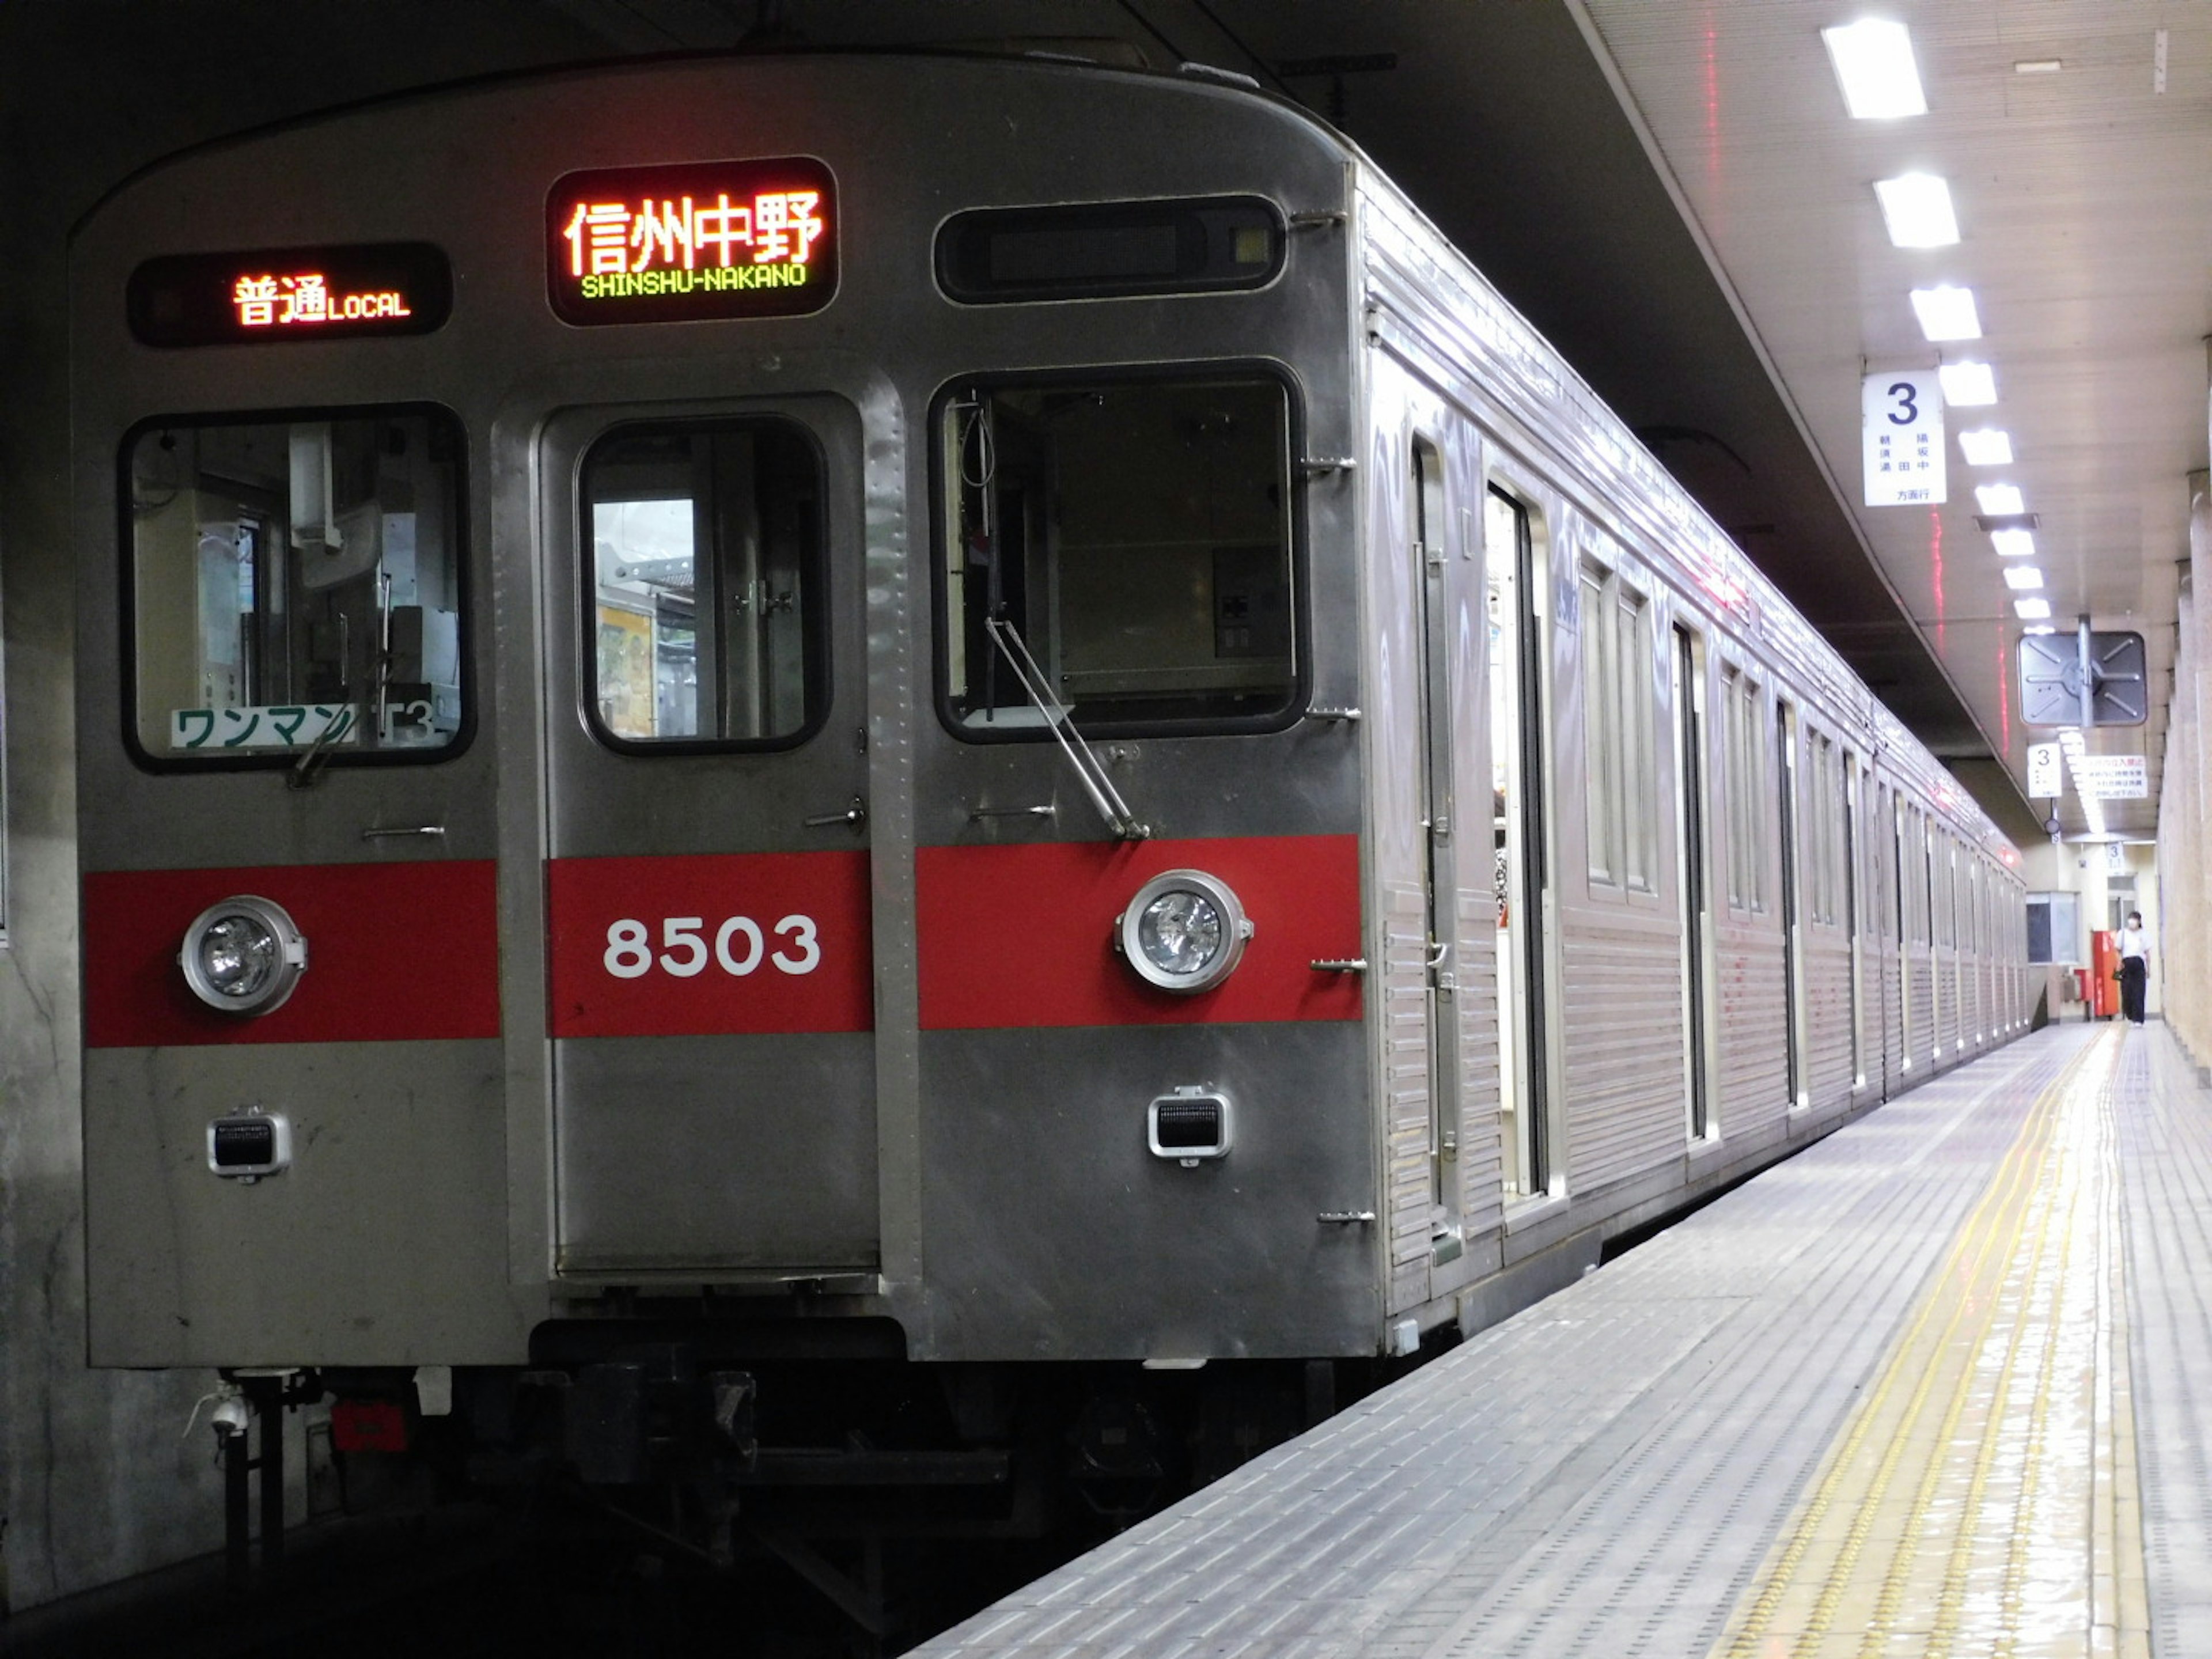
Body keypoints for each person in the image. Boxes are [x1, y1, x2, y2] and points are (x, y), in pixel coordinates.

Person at [2118, 910, 2150, 1026]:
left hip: (2139, 963)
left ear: (2139, 922)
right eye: (2131, 919)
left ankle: (2139, 1019)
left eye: (2134, 920)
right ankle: (2130, 1015)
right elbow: (2118, 951)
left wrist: (2149, 968)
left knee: (2139, 991)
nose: (2132, 922)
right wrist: (2118, 964)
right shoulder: (2122, 934)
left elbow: (2147, 953)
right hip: (2126, 963)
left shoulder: (2144, 934)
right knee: (2126, 991)